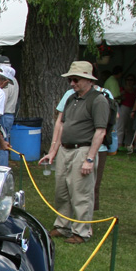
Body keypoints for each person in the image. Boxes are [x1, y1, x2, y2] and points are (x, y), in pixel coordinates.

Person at [38, 62, 109, 244]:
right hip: (65, 149)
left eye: (75, 79)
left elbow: (100, 132)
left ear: (88, 79)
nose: (71, 83)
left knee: (81, 192)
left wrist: (90, 158)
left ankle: (81, 231)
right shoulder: (71, 98)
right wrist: (53, 151)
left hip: (83, 149)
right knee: (61, 190)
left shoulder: (98, 100)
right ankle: (62, 225)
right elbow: (61, 125)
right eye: (70, 79)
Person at [0, 61, 19, 167]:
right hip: (9, 115)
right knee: (5, 142)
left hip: (3, 115)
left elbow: (2, 101)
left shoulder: (6, 82)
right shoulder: (14, 80)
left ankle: (2, 169)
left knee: (1, 144)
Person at [117, 73, 136, 149]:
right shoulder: (122, 89)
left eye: (131, 80)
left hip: (132, 108)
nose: (129, 81)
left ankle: (128, 144)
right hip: (124, 107)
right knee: (121, 126)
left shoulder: (135, 90)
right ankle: (119, 143)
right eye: (128, 80)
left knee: (130, 127)